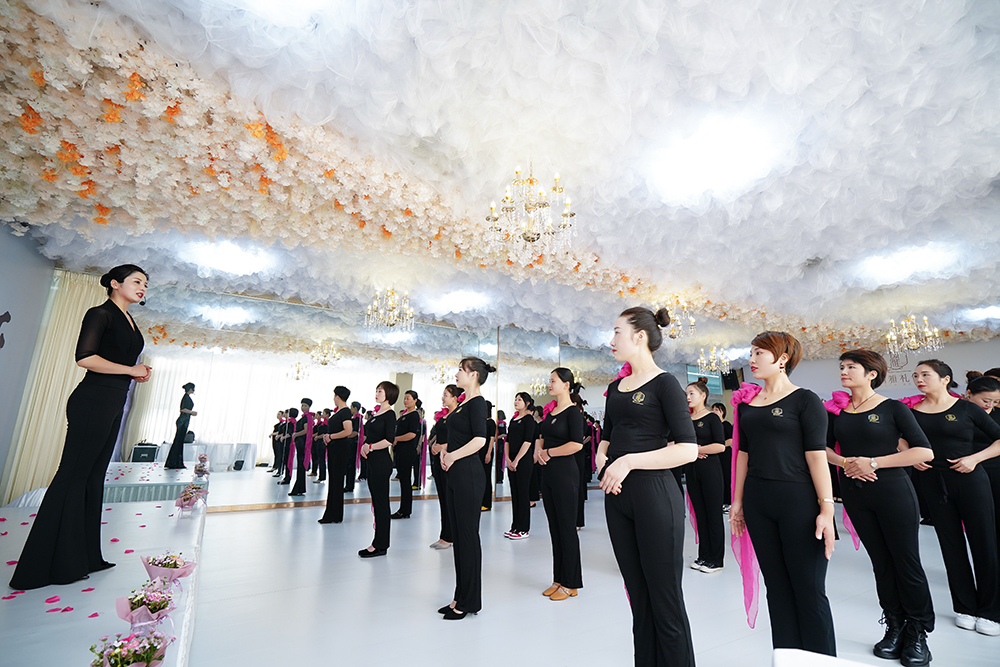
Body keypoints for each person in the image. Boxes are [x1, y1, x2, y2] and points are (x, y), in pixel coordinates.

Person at [10, 265, 151, 590]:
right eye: (136, 281)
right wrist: (130, 370)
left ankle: (84, 558)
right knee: (73, 476)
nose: (142, 287)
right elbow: (85, 357)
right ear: (115, 283)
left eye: (145, 283)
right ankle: (44, 568)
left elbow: (120, 363)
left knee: (93, 478)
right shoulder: (100, 313)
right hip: (93, 400)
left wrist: (135, 372)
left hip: (113, 401)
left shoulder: (129, 320)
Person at [596, 306, 699, 666]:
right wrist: (603, 457)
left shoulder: (665, 384)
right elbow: (607, 437)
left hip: (655, 495)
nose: (611, 340)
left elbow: (688, 449)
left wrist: (627, 461)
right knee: (638, 598)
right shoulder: (615, 388)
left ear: (639, 336)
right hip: (617, 497)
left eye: (617, 332)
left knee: (664, 600)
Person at [730, 330, 836, 656]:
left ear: (782, 359)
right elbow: (743, 455)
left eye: (759, 353)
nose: (751, 359)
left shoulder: (805, 400)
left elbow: (816, 456)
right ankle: (788, 657)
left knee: (808, 589)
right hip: (758, 502)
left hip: (797, 501)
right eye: (751, 353)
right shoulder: (747, 405)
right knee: (775, 588)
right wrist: (737, 502)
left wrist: (827, 508)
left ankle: (821, 661)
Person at [825, 349, 935, 664]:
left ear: (872, 373)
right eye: (842, 366)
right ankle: (895, 625)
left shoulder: (893, 408)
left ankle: (918, 632)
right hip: (855, 494)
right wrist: (846, 462)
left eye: (851, 367)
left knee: (906, 562)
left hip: (893, 492)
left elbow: (924, 452)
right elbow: (822, 449)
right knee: (881, 563)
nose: (844, 371)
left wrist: (873, 462)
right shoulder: (837, 411)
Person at [909, 360, 1000, 636]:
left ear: (945, 379)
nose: (919, 379)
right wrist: (910, 456)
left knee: (984, 543)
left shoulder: (967, 408)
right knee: (950, 546)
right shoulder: (912, 412)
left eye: (926, 374)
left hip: (971, 481)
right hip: (933, 483)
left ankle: (991, 611)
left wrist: (975, 458)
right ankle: (965, 607)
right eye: (916, 375)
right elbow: (899, 438)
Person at [438, 358, 492, 620]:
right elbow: (459, 438)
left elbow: (480, 440)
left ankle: (470, 601)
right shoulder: (462, 405)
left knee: (468, 538)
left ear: (473, 376)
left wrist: (453, 455)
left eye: (461, 370)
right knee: (459, 538)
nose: (456, 374)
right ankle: (459, 596)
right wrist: (446, 452)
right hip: (455, 474)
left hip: (469, 475)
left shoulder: (478, 402)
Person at [536, 368, 586, 602]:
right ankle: (558, 579)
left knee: (566, 529)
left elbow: (576, 444)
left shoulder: (573, 413)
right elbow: (542, 436)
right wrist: (539, 451)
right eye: (549, 380)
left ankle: (571, 583)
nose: (549, 384)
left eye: (553, 381)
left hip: (566, 474)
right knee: (554, 529)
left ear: (566, 385)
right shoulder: (551, 411)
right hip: (548, 474)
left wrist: (548, 452)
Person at [685, 377, 726, 573]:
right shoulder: (685, 419)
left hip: (710, 471)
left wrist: (698, 449)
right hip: (692, 471)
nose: (687, 397)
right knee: (700, 515)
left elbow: (720, 446)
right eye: (686, 394)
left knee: (713, 515)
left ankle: (716, 560)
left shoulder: (712, 418)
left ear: (703, 395)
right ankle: (704, 556)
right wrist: (694, 450)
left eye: (691, 393)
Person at [359, 381, 398, 558]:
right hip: (373, 462)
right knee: (377, 502)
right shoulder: (377, 413)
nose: (377, 393)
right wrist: (365, 446)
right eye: (376, 390)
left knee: (381, 503)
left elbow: (389, 440)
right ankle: (378, 542)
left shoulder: (389, 414)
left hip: (381, 463)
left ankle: (381, 545)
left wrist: (370, 447)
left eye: (380, 391)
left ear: (389, 394)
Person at [967, 371, 1000, 566]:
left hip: (996, 470)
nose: (990, 405)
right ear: (969, 394)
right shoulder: (961, 414)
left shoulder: (997, 414)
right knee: (981, 525)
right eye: (986, 401)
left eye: (995, 402)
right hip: (971, 474)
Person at [429, 385, 460, 550]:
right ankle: (444, 534)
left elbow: (460, 440)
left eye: (446, 395)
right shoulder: (444, 416)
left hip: (450, 460)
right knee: (442, 498)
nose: (443, 398)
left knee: (450, 500)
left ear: (455, 398)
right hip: (438, 460)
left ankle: (450, 536)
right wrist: (435, 445)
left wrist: (443, 447)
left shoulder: (458, 416)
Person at [319, 386, 354, 524]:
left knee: (337, 481)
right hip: (334, 448)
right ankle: (331, 513)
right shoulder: (339, 411)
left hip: (340, 449)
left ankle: (335, 514)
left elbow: (348, 431)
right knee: (333, 481)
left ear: (337, 397)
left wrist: (331, 436)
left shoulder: (345, 412)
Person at [504, 392, 536, 539]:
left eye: (519, 400)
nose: (516, 402)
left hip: (523, 461)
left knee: (523, 494)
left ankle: (523, 529)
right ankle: (515, 526)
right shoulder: (513, 420)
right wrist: (508, 459)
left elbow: (527, 442)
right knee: (515, 494)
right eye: (515, 399)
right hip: (511, 461)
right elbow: (508, 441)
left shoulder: (529, 420)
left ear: (527, 403)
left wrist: (516, 460)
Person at [392, 390, 422, 519]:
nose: (405, 401)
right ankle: (404, 509)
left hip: (407, 451)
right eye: (404, 398)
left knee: (405, 481)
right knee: (403, 480)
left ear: (415, 400)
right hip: (400, 450)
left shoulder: (414, 415)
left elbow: (412, 434)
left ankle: (405, 510)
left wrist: (397, 439)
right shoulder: (404, 414)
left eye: (408, 398)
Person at [284, 399, 314, 497]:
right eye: (302, 405)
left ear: (309, 407)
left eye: (305, 406)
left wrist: (295, 434)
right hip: (299, 443)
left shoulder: (307, 418)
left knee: (301, 466)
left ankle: (298, 488)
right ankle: (300, 488)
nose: (303, 407)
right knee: (300, 466)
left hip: (302, 443)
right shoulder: (304, 417)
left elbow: (306, 430)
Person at [164, 382, 196, 469]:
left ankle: (175, 462)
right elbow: (183, 409)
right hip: (182, 421)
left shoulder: (186, 397)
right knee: (178, 441)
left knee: (179, 441)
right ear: (190, 389)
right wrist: (191, 412)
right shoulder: (186, 397)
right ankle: (174, 462)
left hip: (184, 421)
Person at [711, 402, 734, 511]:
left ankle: (728, 502)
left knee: (726, 477)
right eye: (713, 409)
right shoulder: (713, 425)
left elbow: (731, 440)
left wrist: (719, 446)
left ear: (722, 412)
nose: (714, 412)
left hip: (725, 454)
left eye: (716, 410)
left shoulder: (726, 425)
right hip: (715, 455)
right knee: (718, 479)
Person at [481, 401, 497, 511]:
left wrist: (488, 453)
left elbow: (492, 439)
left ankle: (487, 503)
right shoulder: (481, 421)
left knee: (486, 476)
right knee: (481, 477)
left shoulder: (491, 423)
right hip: (480, 451)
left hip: (487, 451)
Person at [346, 401, 362, 491]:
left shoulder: (358, 419)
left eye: (351, 407)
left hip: (353, 443)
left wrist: (346, 435)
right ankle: (348, 484)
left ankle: (349, 486)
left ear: (355, 408)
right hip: (349, 442)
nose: (350, 409)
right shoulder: (353, 418)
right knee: (348, 464)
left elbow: (355, 432)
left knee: (351, 465)